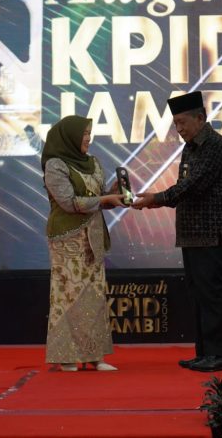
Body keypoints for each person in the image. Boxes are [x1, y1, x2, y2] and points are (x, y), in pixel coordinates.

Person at [133, 91, 222, 373]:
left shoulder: (215, 145)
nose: (178, 129)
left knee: (212, 295)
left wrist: (156, 199)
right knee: (199, 296)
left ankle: (219, 355)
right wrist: (158, 200)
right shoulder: (190, 147)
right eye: (175, 123)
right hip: (192, 233)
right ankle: (204, 353)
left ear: (200, 118)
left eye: (182, 122)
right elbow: (184, 188)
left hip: (211, 233)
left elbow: (192, 186)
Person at [41, 115, 126, 372]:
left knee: (94, 296)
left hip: (94, 236)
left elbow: (96, 200)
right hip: (68, 239)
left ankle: (94, 356)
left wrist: (114, 193)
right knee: (68, 296)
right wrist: (104, 200)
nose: (88, 138)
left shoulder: (94, 162)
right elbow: (69, 203)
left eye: (89, 133)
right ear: (69, 136)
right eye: (84, 133)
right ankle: (66, 356)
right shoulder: (55, 165)